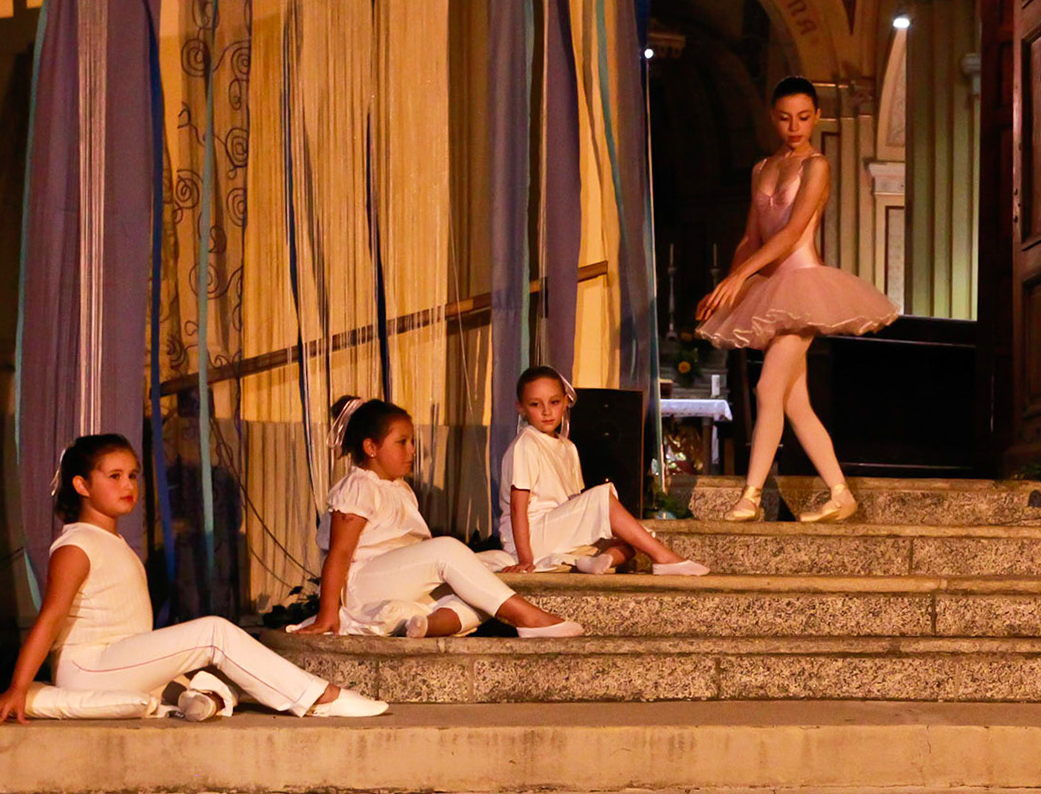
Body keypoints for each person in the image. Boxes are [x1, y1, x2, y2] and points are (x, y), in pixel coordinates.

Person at [0, 434, 387, 724]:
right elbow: (50, 617)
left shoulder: (112, 541)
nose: (128, 485)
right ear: (82, 485)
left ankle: (201, 699)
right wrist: (20, 687)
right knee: (212, 633)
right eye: (114, 476)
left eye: (133, 475)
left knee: (197, 681)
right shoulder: (76, 546)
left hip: (117, 660)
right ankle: (318, 697)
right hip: (89, 667)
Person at [696, 75, 899, 524]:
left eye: (804, 117)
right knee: (794, 403)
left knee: (769, 387)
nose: (795, 126)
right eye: (786, 118)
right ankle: (841, 493)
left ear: (816, 117)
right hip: (770, 288)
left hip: (805, 286)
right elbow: (752, 238)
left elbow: (791, 234)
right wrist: (727, 284)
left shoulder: (817, 165)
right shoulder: (762, 167)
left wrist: (742, 278)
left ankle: (750, 496)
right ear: (773, 117)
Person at [292, 397, 583, 639]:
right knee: (446, 550)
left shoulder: (401, 488)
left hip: (401, 580)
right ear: (371, 448)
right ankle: (528, 618)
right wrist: (327, 613)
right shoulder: (359, 486)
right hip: (365, 584)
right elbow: (339, 554)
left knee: (500, 563)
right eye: (402, 442)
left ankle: (428, 625)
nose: (412, 450)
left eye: (412, 442)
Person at [496, 365, 707, 576]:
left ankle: (600, 560)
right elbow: (517, 507)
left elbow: (572, 500)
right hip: (531, 538)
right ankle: (664, 558)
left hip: (556, 531)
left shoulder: (568, 448)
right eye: (535, 404)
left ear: (566, 402)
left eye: (554, 402)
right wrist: (525, 558)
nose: (546, 411)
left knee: (637, 536)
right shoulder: (526, 444)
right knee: (604, 500)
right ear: (521, 407)